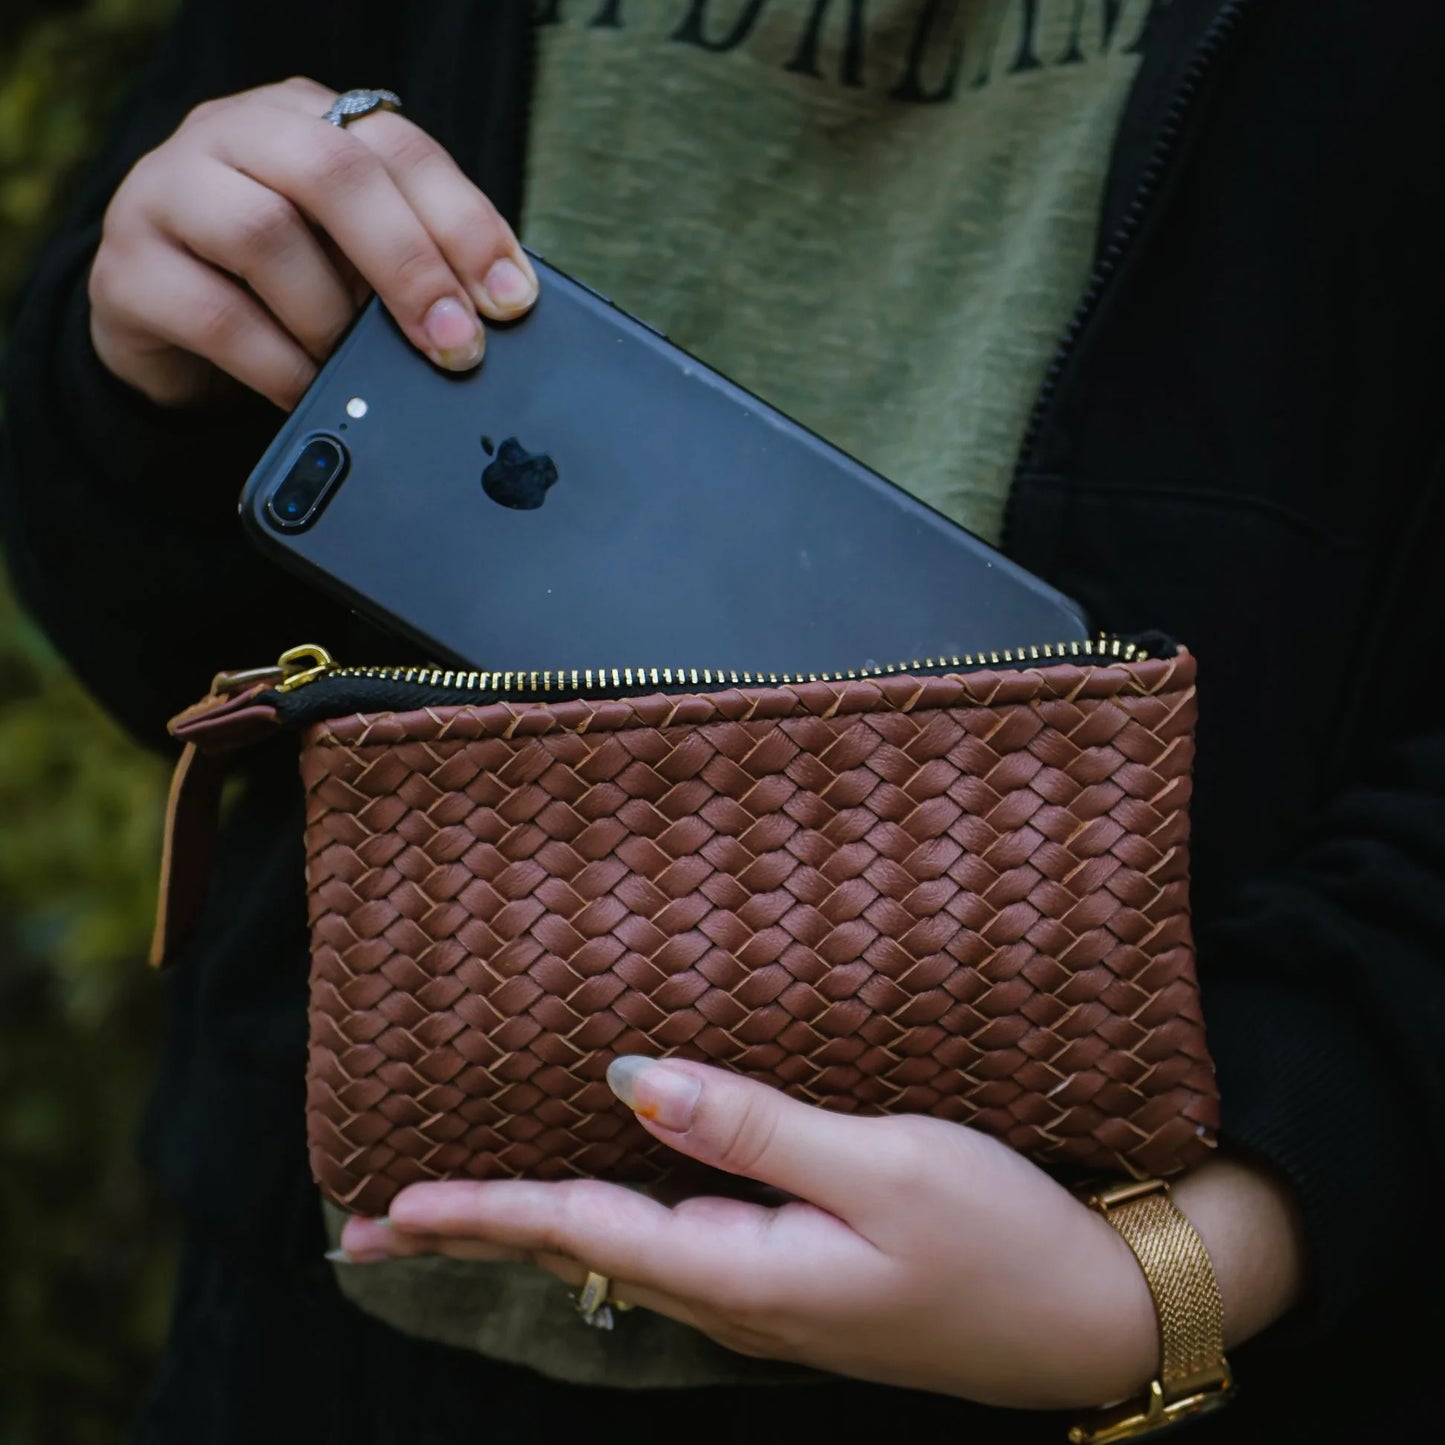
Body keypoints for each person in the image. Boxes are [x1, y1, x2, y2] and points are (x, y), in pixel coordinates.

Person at [2, 1, 1441, 1439]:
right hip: (325, 1339)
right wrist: (141, 379)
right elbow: (152, 635)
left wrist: (1183, 1270)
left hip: (1152, 1338)